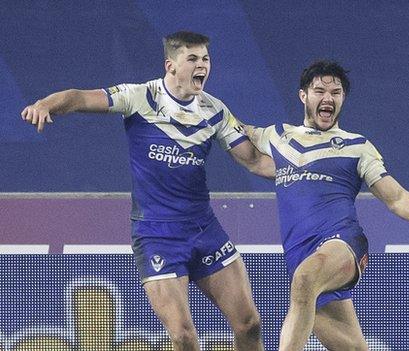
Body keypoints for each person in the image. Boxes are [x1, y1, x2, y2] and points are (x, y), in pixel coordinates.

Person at [21, 31, 274, 351]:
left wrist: (302, 172)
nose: (202, 66)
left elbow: (255, 162)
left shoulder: (215, 111)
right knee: (183, 336)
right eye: (193, 59)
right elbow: (78, 98)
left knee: (250, 324)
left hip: (204, 228)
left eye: (206, 59)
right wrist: (46, 104)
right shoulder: (140, 97)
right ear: (171, 65)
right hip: (157, 234)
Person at [245, 60, 409, 351]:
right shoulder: (278, 137)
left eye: (335, 92)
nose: (328, 98)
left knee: (305, 279)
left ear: (342, 99)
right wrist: (206, 111)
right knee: (350, 346)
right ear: (304, 96)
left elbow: (397, 198)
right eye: (319, 91)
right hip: (300, 253)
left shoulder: (357, 146)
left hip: (343, 243)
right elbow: (240, 142)